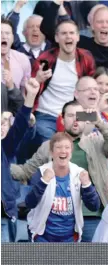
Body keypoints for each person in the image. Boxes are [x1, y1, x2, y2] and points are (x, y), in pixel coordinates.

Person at [11, 100, 108, 242]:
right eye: (71, 115)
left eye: (80, 116)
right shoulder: (48, 146)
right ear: (62, 119)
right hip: (56, 220)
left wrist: (99, 122)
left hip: (92, 215)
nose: (76, 119)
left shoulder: (96, 143)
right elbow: (25, 172)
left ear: (86, 121)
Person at [25, 132, 100, 242]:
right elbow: (29, 203)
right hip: (43, 237)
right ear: (51, 152)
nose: (63, 151)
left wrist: (87, 185)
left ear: (71, 151)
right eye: (58, 147)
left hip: (69, 238)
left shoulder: (79, 173)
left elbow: (94, 206)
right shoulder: (41, 172)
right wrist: (43, 182)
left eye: (67, 147)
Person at [1, 78, 40, 242]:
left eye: (4, 123)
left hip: (5, 216)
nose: (2, 126)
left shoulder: (5, 148)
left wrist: (30, 96)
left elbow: (20, 126)